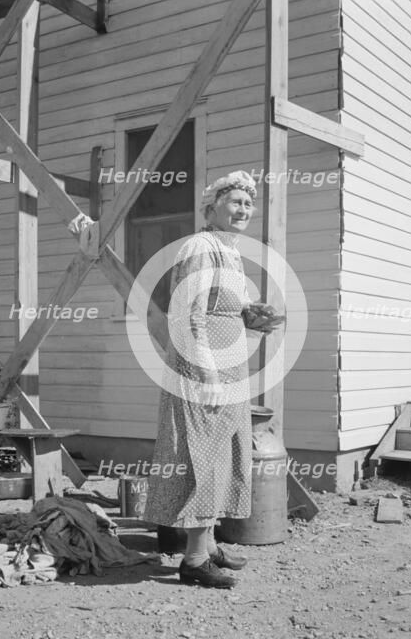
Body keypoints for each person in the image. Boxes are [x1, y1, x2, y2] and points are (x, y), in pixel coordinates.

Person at [143, 170, 270, 588]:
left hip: (228, 366)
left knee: (224, 453)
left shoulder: (229, 250)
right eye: (235, 202)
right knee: (203, 456)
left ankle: (210, 545)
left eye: (248, 204)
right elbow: (187, 315)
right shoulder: (201, 246)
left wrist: (251, 316)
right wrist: (207, 375)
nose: (244, 210)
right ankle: (194, 560)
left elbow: (222, 307)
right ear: (211, 206)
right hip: (203, 368)